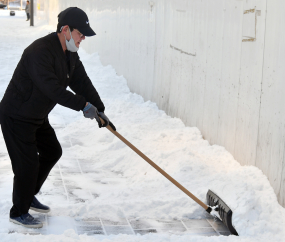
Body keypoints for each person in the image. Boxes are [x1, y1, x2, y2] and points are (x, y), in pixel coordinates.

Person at [0, 7, 116, 228]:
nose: (83, 38)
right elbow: (52, 89)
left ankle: (28, 193)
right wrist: (83, 106)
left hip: (36, 115)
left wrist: (99, 109)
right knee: (28, 164)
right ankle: (18, 211)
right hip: (17, 116)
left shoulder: (69, 54)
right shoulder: (39, 52)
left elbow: (82, 82)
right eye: (80, 33)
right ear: (65, 30)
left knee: (52, 151)